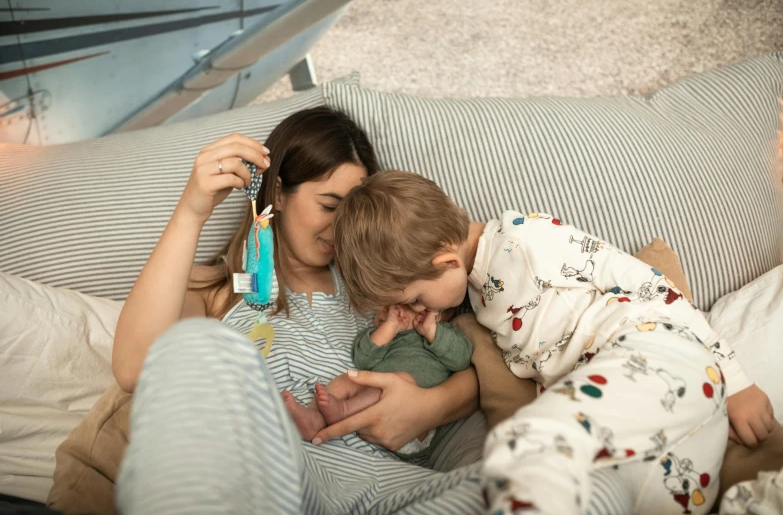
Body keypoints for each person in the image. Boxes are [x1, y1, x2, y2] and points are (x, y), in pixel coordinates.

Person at [110, 107, 491, 514]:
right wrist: (191, 212)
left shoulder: (388, 293)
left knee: (517, 476)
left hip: (394, 492)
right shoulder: (219, 293)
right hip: (279, 486)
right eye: (330, 206)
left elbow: (472, 369)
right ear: (278, 194)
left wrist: (429, 408)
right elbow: (136, 368)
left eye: (354, 215)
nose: (341, 230)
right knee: (195, 342)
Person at [332, 170, 776, 515]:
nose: (415, 310)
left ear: (447, 261)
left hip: (649, 348)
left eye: (414, 298)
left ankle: (528, 458)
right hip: (660, 413)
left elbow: (647, 284)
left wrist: (734, 378)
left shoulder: (524, 239)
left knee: (529, 443)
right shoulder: (473, 290)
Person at [282, 304, 472, 456]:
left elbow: (461, 359)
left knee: (400, 379)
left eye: (408, 305)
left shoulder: (446, 335)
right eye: (390, 307)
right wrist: (389, 328)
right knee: (348, 379)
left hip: (413, 424)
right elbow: (362, 359)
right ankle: (313, 418)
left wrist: (432, 331)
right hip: (372, 405)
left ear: (437, 315)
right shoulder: (389, 335)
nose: (391, 310)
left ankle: (344, 410)